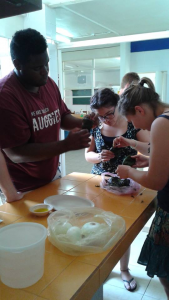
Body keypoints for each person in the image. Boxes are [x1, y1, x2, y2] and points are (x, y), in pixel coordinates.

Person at [0, 28, 94, 194]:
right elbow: (16, 153)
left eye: (46, 64)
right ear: (17, 64)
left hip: (51, 176)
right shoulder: (6, 97)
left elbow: (62, 116)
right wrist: (66, 145)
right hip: (22, 187)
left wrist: (84, 123)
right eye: (37, 68)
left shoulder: (48, 83)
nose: (45, 71)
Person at [85, 87, 150, 291]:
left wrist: (143, 159)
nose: (106, 120)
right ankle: (99, 267)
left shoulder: (132, 124)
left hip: (126, 184)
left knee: (122, 228)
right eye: (101, 116)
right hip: (100, 182)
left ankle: (123, 269)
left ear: (118, 106)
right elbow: (88, 154)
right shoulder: (96, 127)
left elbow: (155, 148)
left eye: (110, 114)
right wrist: (99, 156)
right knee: (98, 225)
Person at [116, 77, 169, 299]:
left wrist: (129, 172)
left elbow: (156, 181)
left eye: (133, 121)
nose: (137, 127)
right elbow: (157, 147)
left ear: (139, 109)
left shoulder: (161, 122)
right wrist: (140, 152)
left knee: (166, 271)